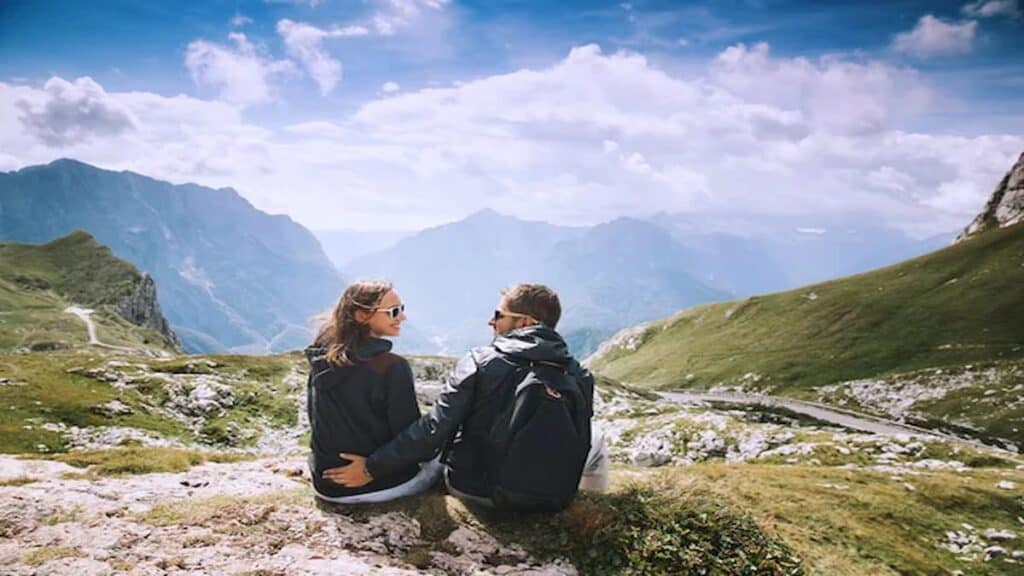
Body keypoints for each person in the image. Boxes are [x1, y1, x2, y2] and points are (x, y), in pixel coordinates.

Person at [324, 283, 609, 509]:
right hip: (556, 499)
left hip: (477, 490)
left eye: (499, 315)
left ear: (524, 322)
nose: (490, 321)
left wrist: (372, 468)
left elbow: (434, 428)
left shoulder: (480, 360)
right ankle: (592, 503)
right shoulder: (580, 374)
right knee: (598, 441)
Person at [305, 280, 441, 504]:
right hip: (371, 486)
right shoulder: (392, 366)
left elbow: (315, 419)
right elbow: (411, 441)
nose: (402, 317)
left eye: (402, 309)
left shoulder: (322, 358)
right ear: (362, 316)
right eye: (393, 312)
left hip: (325, 483)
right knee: (442, 458)